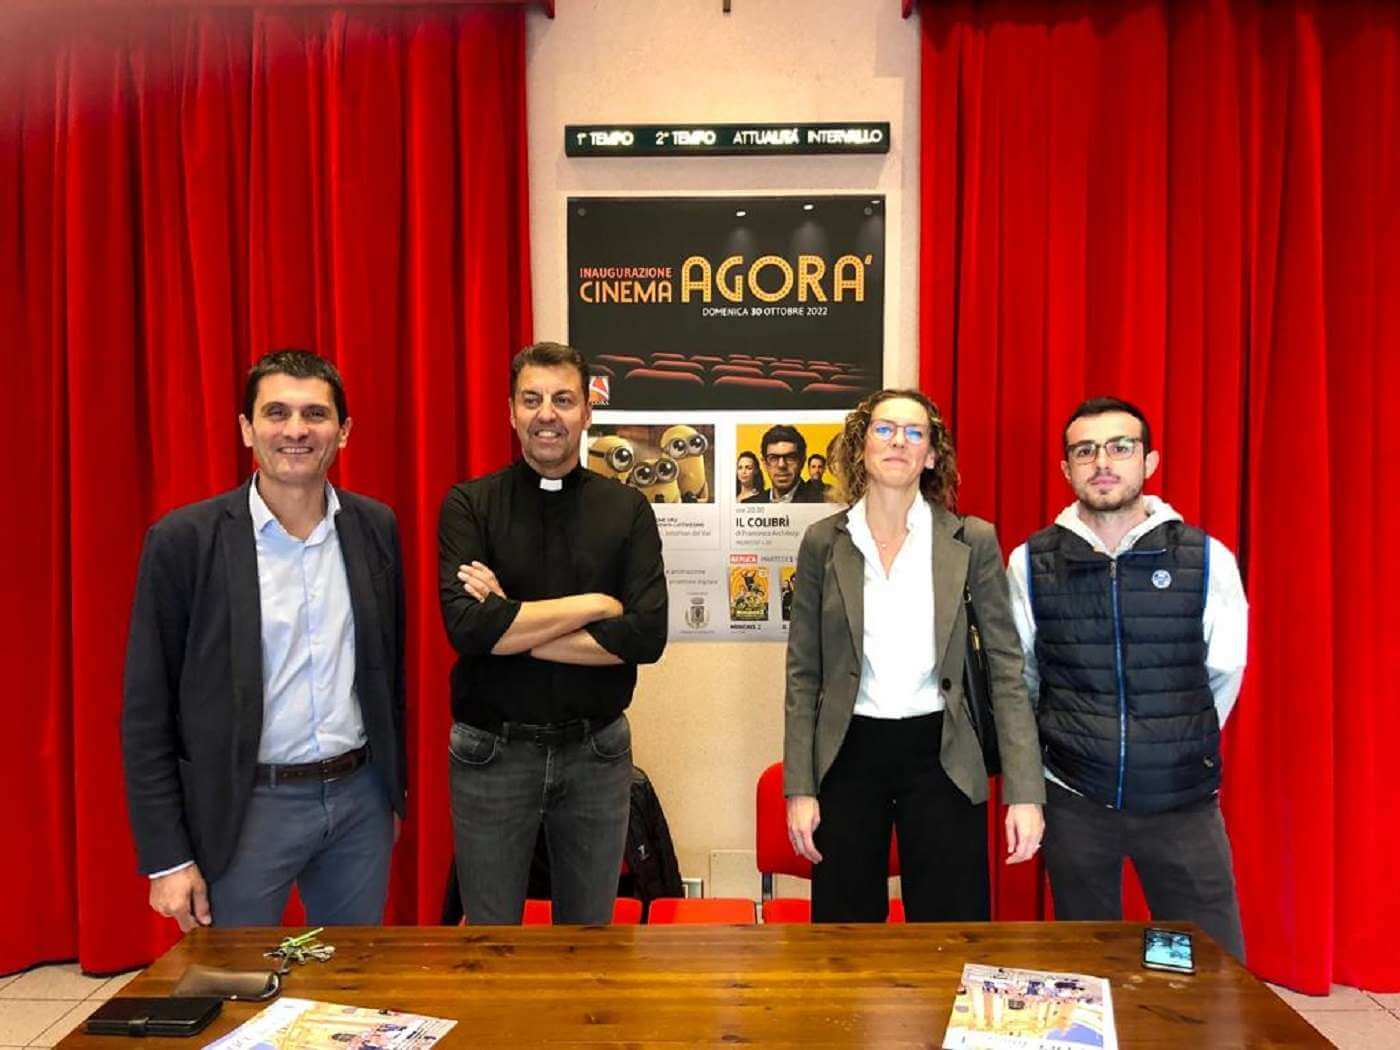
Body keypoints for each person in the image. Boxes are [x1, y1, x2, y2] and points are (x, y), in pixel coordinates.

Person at [123, 349, 407, 930]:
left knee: (349, 978)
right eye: (276, 412)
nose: (296, 430)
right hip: (245, 809)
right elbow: (147, 709)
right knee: (237, 980)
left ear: (343, 432)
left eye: (315, 414)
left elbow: (389, 672)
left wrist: (390, 796)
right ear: (247, 429)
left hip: (358, 803)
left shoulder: (375, 527)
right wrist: (168, 858)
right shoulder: (185, 541)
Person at [784, 389, 1044, 922]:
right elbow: (803, 675)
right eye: (884, 429)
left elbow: (1006, 671)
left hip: (942, 752)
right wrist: (800, 788)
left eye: (913, 432)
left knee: (951, 929)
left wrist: (1024, 792)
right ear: (861, 448)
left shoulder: (972, 540)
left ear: (930, 455)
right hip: (847, 754)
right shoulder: (822, 543)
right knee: (845, 933)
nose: (897, 441)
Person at [1006, 396, 1248, 960]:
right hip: (1075, 797)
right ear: (1066, 469)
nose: (1102, 462)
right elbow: (1023, 677)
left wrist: (1172, 742)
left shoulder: (1205, 558)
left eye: (1120, 447)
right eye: (1085, 451)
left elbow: (1225, 669)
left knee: (1210, 968)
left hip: (1182, 799)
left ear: (1149, 460)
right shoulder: (1030, 562)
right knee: (1089, 965)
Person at [439, 341, 668, 925]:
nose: (548, 414)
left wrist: (508, 621)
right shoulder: (469, 505)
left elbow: (645, 637)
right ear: (510, 411)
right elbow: (467, 630)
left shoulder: (627, 510)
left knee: (587, 943)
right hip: (491, 752)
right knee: (491, 942)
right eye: (532, 399)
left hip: (596, 754)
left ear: (587, 412)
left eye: (563, 400)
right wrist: (595, 606)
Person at [742, 424, 825, 504]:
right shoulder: (749, 504)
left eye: (790, 457)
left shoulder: (823, 502)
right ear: (764, 464)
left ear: (802, 462)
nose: (781, 465)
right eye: (773, 458)